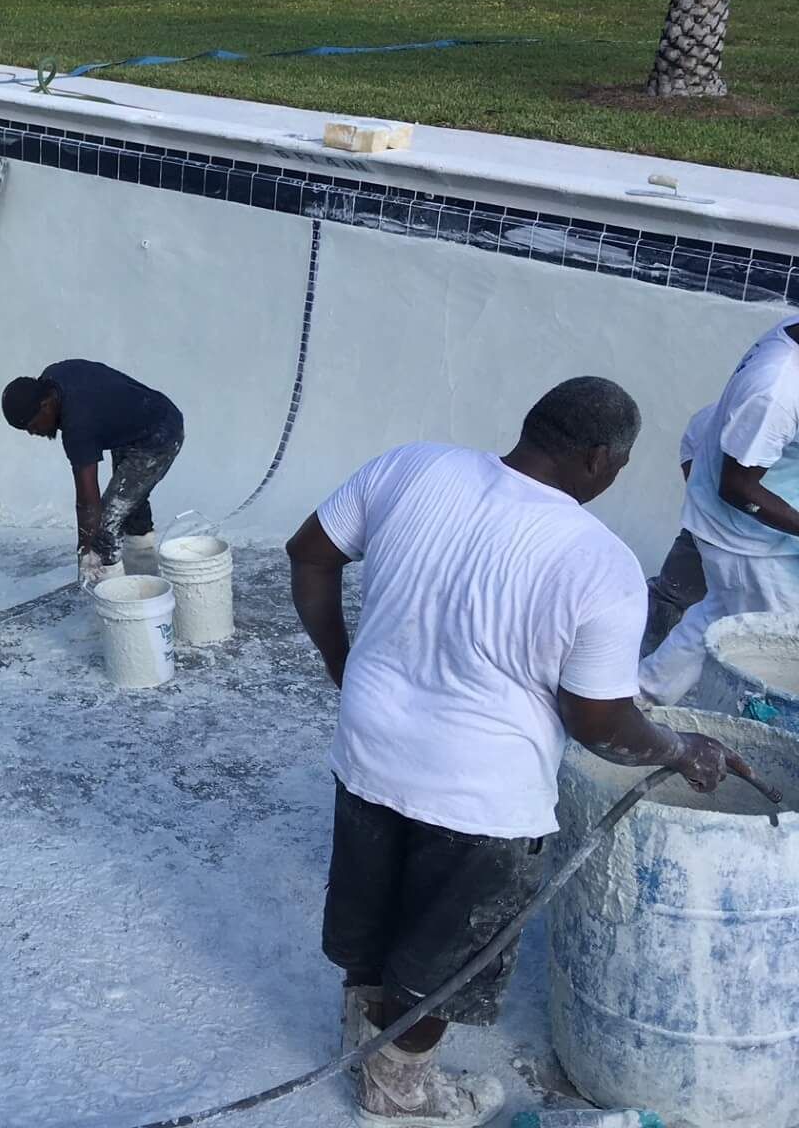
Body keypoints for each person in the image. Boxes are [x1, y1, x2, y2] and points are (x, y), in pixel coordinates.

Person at [285, 378, 757, 1128]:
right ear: (601, 459)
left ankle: (366, 1037)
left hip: (370, 752)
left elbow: (308, 555)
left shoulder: (412, 466)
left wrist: (347, 667)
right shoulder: (597, 562)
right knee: (442, 958)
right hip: (480, 795)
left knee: (372, 917)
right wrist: (678, 747)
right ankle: (398, 1093)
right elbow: (600, 722)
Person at [640, 316, 799, 704]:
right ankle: (763, 735)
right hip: (746, 543)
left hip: (755, 531)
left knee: (718, 615)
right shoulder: (776, 388)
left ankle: (644, 695)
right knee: (778, 647)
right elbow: (738, 486)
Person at [0, 360, 185, 585]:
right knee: (128, 502)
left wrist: (86, 549)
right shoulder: (54, 375)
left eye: (32, 425)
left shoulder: (77, 426)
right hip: (136, 423)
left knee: (105, 525)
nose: (32, 432)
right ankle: (145, 577)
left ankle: (119, 600)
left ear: (46, 404)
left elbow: (88, 502)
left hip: (159, 433)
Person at [641, 401, 714, 653]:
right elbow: (697, 486)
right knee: (671, 597)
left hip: (715, 532)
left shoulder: (706, 418)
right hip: (710, 535)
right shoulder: (710, 419)